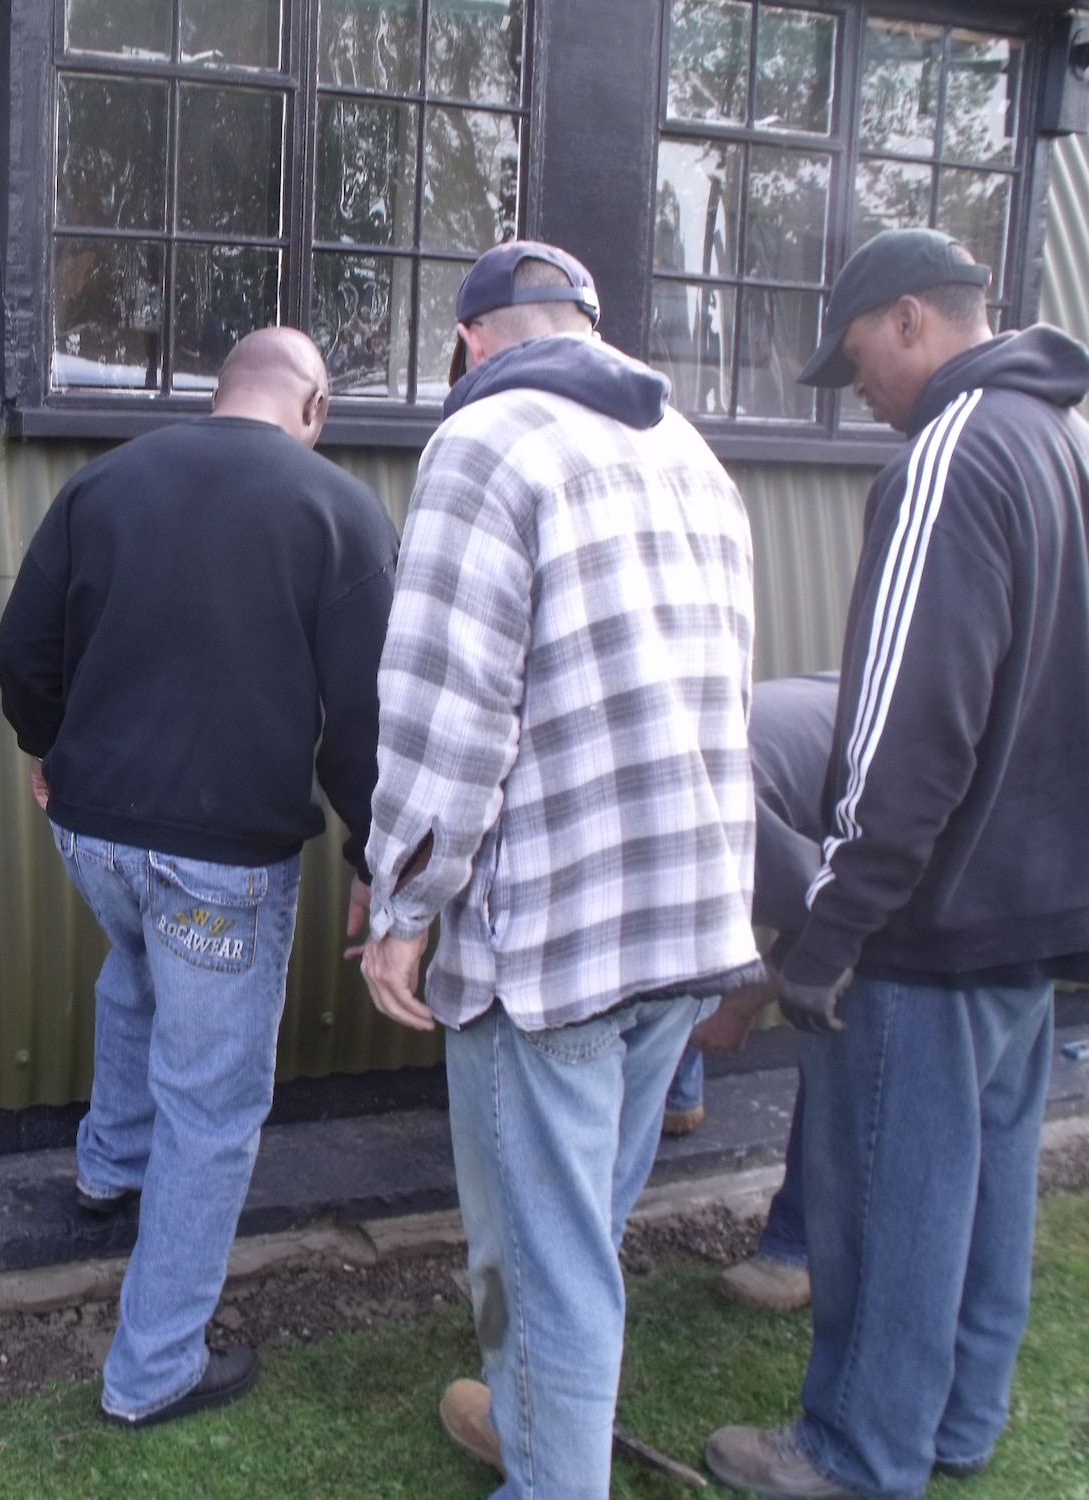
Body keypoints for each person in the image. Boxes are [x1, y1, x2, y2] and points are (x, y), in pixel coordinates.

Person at [355, 242, 762, 1498]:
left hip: (550, 950)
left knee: (546, 1259)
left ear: (472, 342)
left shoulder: (483, 445)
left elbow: (444, 703)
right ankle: (534, 1429)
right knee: (582, 1229)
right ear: (589, 325)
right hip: (682, 923)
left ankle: (549, 1476)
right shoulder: (688, 452)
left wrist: (400, 907)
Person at [704, 232, 1089, 1497]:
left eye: (857, 353)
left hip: (922, 923)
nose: (856, 388)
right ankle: (957, 1423)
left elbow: (909, 720)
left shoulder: (949, 452)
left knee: (884, 1204)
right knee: (981, 1190)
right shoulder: (1058, 449)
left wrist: (833, 929)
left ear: (913, 320)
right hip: (1029, 916)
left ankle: (854, 1453)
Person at [0, 327, 397, 1429]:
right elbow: (366, 724)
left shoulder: (106, 483)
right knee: (212, 1106)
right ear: (310, 407)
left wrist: (50, 748)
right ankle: (154, 1366)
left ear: (218, 393)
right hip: (218, 864)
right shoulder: (336, 510)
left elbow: (21, 654)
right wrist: (376, 859)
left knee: (133, 972)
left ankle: (107, 1172)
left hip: (93, 833)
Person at [691, 671, 840, 1313]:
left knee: (845, 1040)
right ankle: (679, 1090)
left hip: (909, 843)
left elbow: (829, 918)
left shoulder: (725, 801)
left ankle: (796, 1251)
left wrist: (742, 1004)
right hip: (811, 770)